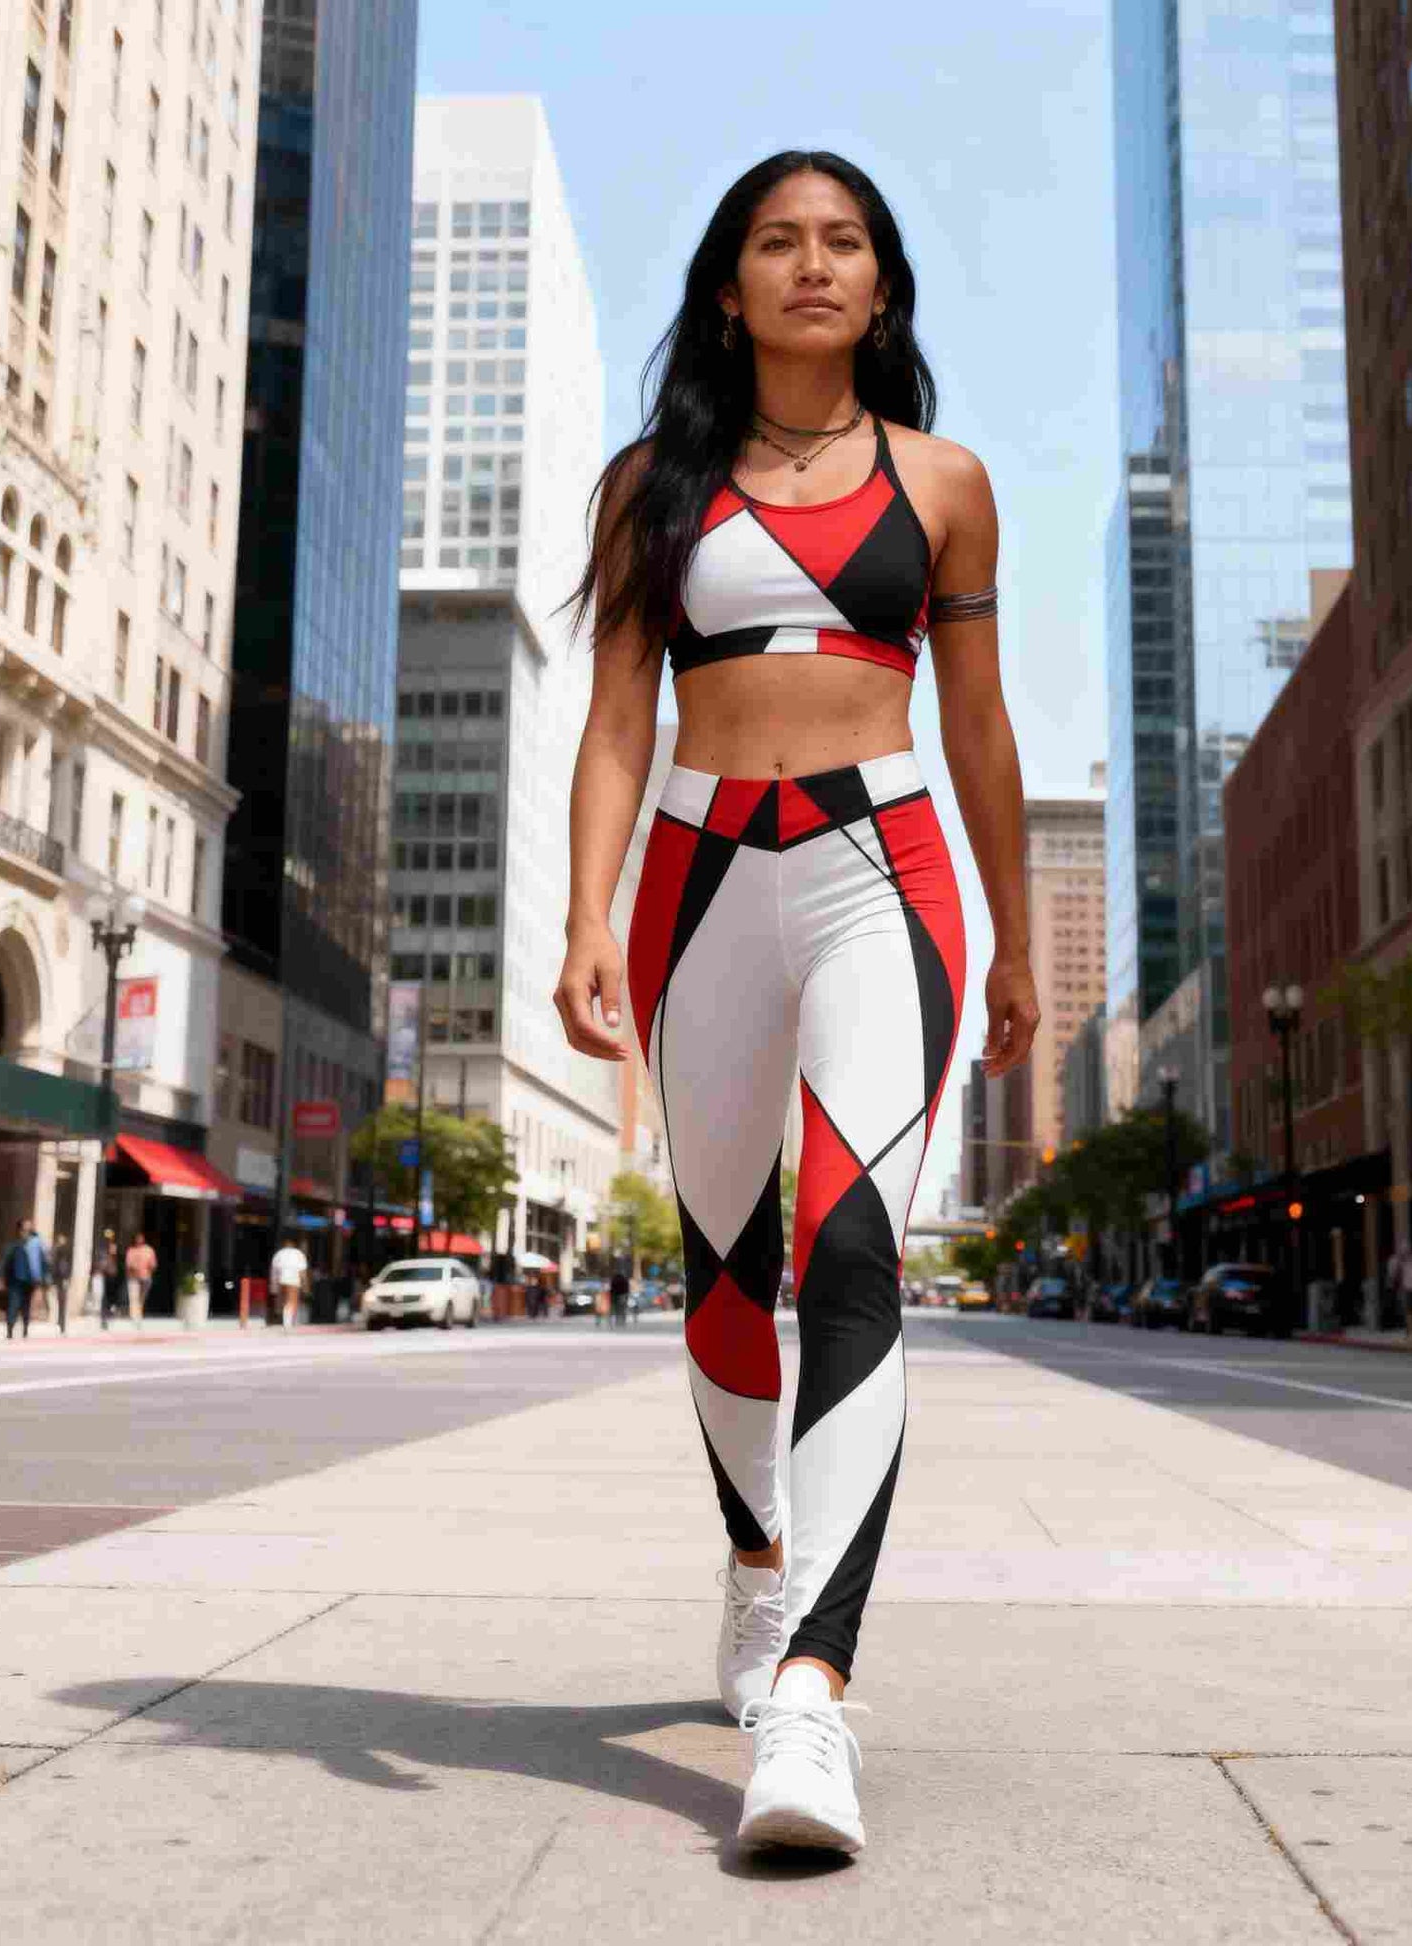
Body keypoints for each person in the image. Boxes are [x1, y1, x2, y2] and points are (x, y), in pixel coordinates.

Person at [554, 153, 1035, 1857]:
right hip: (697, 882)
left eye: (842, 244)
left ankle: (814, 1693)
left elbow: (978, 727)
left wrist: (1025, 944)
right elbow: (618, 722)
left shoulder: (948, 484)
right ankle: (759, 1570)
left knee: (848, 1249)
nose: (811, 266)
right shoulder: (649, 486)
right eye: (778, 242)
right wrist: (584, 917)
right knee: (718, 1263)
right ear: (726, 288)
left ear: (883, 288)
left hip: (879, 871)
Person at [0, 1218, 48, 1341]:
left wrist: (43, 1280)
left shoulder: (35, 1246)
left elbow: (42, 1263)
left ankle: (25, 1329)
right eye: (24, 1229)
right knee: (13, 1305)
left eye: (29, 1229)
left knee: (26, 1306)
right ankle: (10, 1330)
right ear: (19, 1230)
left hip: (29, 1281)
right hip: (15, 1281)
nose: (26, 1232)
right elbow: (4, 1261)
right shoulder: (13, 1245)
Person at [269, 1236, 310, 1331]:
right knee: (292, 1301)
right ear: (294, 1244)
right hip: (293, 1280)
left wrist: (273, 1287)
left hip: (281, 1280)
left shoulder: (278, 1254)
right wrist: (305, 1286)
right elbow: (302, 1272)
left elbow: (274, 1272)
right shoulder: (299, 1254)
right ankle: (289, 1323)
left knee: (283, 1301)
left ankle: (285, 1320)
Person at [123, 1230, 156, 1330]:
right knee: (134, 1298)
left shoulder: (149, 1250)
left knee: (141, 1299)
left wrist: (148, 1270)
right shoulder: (131, 1251)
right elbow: (128, 1265)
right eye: (137, 1238)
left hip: (145, 1278)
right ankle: (135, 1318)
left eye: (140, 1238)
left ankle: (138, 1315)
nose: (139, 1240)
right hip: (133, 1278)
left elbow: (153, 1264)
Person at [91, 1229, 118, 1328]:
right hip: (101, 1275)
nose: (108, 1240)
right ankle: (102, 1319)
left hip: (109, 1276)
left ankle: (106, 1317)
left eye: (110, 1238)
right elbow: (97, 1262)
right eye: (107, 1238)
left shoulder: (112, 1249)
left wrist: (112, 1253)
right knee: (100, 1297)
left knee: (108, 1298)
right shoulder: (100, 1250)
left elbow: (114, 1263)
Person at [49, 1232, 73, 1335]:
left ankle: (60, 1323)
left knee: (60, 1302)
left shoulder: (55, 1251)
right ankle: (60, 1323)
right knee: (61, 1302)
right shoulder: (61, 1251)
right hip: (60, 1280)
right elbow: (61, 1267)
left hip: (57, 1280)